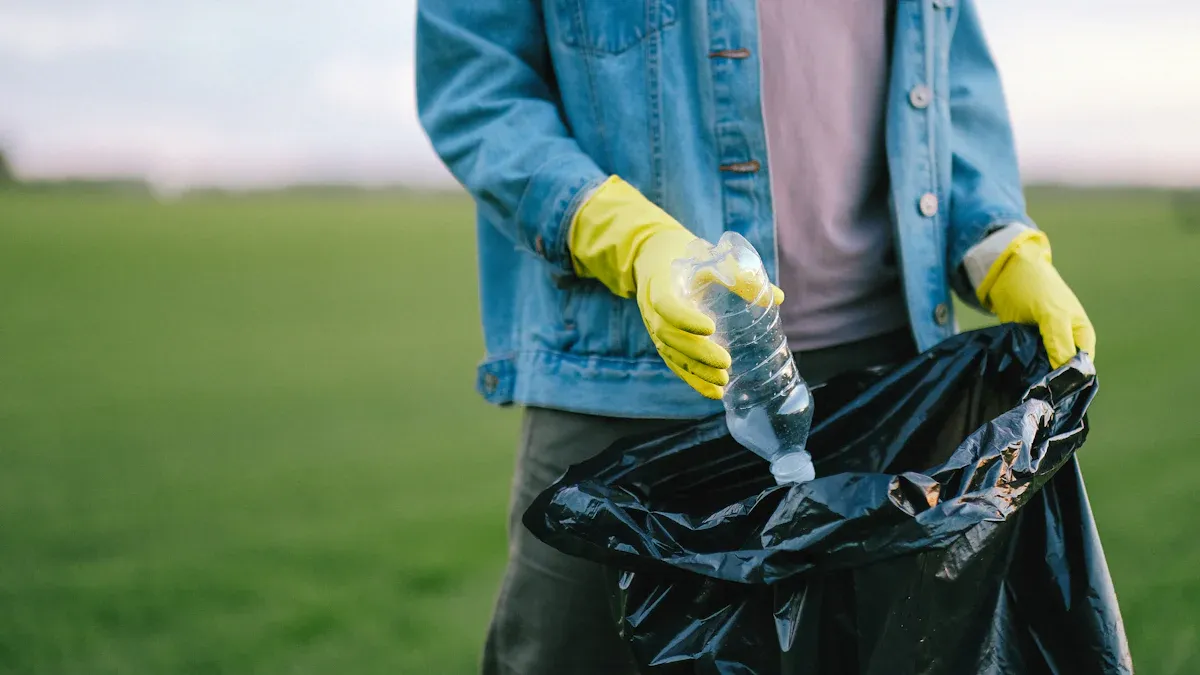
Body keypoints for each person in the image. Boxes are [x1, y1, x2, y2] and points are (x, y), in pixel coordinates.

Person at [416, 1, 1096, 673]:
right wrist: (628, 238)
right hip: (622, 377)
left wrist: (999, 244)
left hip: (886, 382)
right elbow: (477, 86)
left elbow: (949, 75)